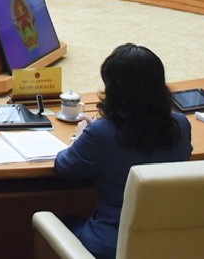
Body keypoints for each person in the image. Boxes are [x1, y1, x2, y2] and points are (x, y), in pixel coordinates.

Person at [52, 43, 193, 259]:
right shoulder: (181, 124)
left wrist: (79, 139)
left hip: (109, 248)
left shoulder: (101, 133)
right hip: (164, 246)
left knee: (67, 221)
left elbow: (64, 168)